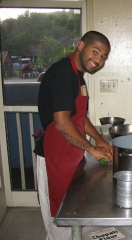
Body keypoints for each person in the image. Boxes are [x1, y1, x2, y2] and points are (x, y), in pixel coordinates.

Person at [34, 30, 113, 240]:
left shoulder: (78, 76)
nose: (99, 60)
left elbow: (79, 116)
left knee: (73, 215)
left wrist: (99, 138)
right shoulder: (63, 74)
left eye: (104, 56)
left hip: (72, 155)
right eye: (95, 51)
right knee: (59, 221)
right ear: (80, 46)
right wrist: (92, 149)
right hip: (54, 157)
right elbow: (61, 123)